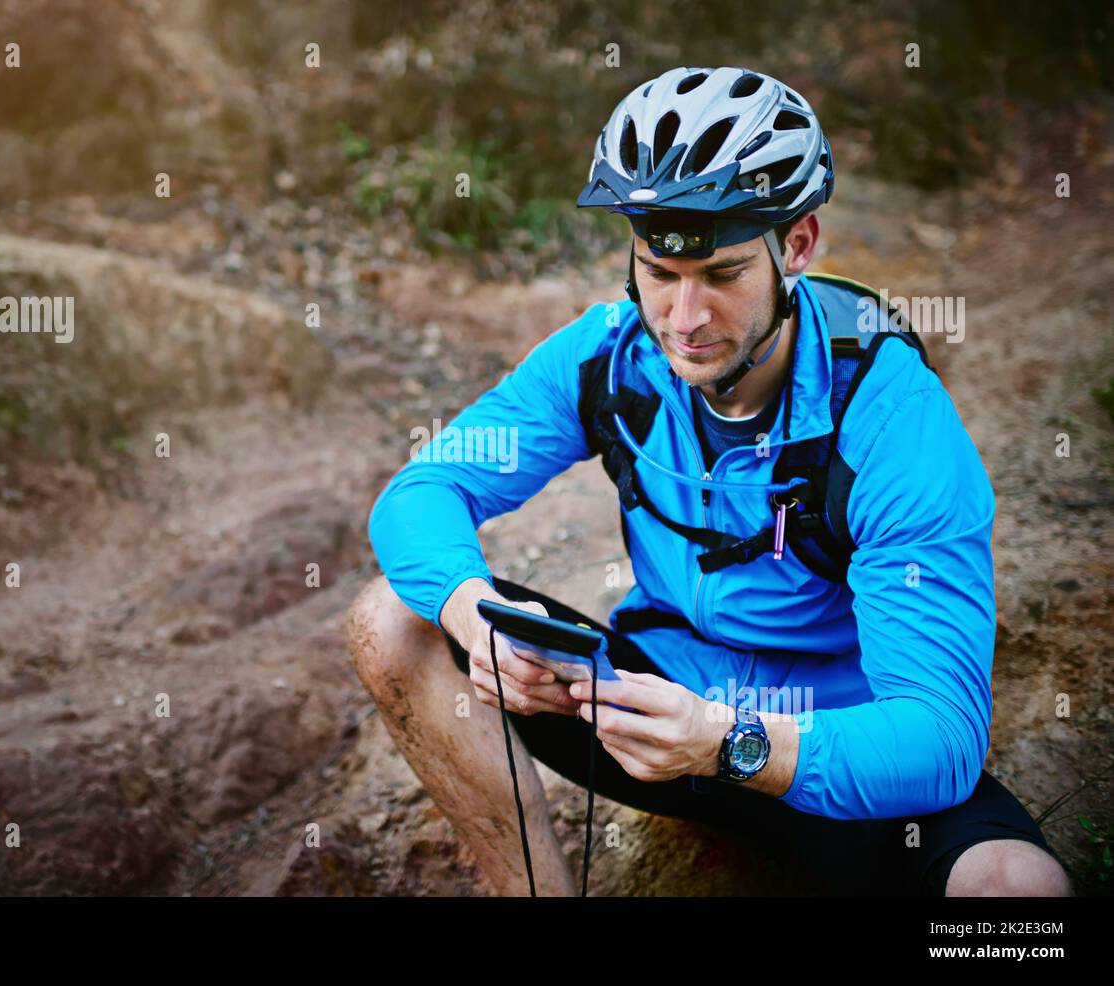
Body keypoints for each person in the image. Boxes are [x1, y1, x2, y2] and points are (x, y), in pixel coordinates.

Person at [347, 65, 1072, 896]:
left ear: (796, 245)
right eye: (659, 270)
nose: (684, 321)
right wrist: (472, 617)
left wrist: (729, 740)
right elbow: (424, 488)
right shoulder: (609, 355)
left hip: (834, 747)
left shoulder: (894, 419)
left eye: (722, 275)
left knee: (1018, 892)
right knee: (394, 615)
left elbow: (941, 740)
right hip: (643, 708)